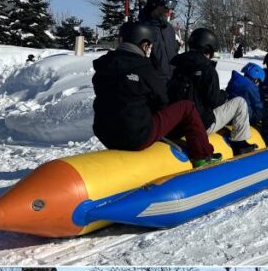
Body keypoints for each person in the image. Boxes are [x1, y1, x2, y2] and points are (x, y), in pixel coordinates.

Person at [92, 22, 217, 166]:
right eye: (149, 45)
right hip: (136, 136)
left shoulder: (104, 66)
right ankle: (203, 155)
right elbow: (162, 99)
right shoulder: (144, 67)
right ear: (144, 44)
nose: (149, 49)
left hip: (105, 135)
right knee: (187, 107)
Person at [169, 28, 259, 156]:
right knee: (240, 102)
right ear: (208, 48)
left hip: (176, 124)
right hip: (200, 125)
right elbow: (213, 101)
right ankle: (240, 143)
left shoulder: (174, 63)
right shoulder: (207, 69)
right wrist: (224, 95)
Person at [138, 0, 179, 100]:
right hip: (153, 90)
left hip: (173, 86)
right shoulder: (142, 29)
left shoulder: (169, 29)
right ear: (154, 6)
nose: (169, 11)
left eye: (170, 8)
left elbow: (173, 54)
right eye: (166, 7)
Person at [226, 63, 268, 145]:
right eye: (258, 81)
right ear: (256, 79)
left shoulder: (234, 82)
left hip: (231, 117)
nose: (258, 84)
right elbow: (258, 105)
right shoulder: (251, 87)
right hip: (245, 117)